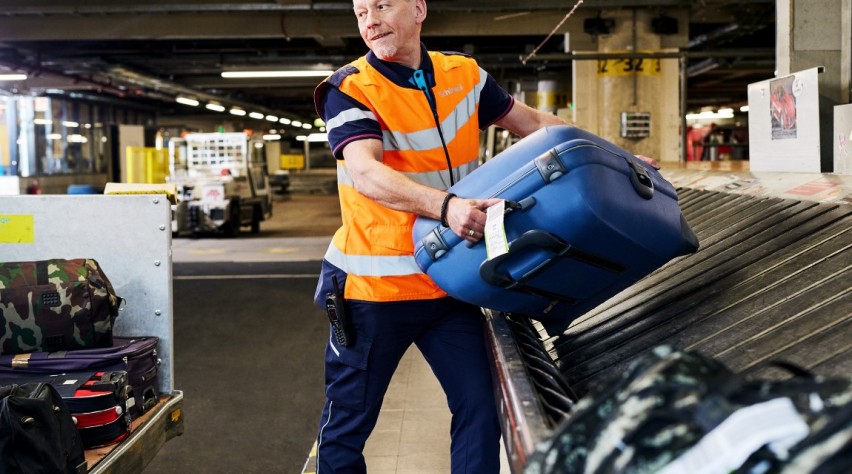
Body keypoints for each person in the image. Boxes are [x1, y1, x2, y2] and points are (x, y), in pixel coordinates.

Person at [312, 1, 658, 472]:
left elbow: (535, 127)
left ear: (418, 9)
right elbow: (366, 173)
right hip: (373, 293)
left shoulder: (464, 76)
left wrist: (622, 159)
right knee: (347, 425)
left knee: (481, 408)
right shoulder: (351, 88)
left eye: (382, 5)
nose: (369, 20)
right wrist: (446, 208)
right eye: (360, 11)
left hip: (451, 282)